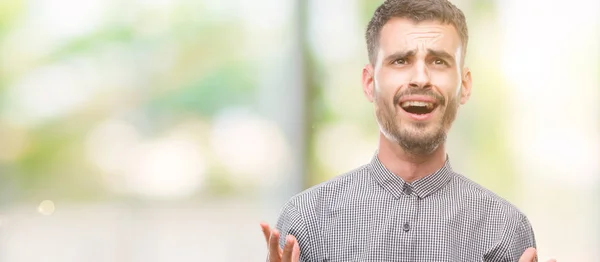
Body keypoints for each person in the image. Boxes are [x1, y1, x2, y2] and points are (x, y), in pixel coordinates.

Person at [260, 0, 556, 261]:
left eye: (438, 61)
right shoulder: (306, 221)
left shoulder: (505, 231)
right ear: (369, 83)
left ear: (464, 86)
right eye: (400, 60)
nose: (420, 78)